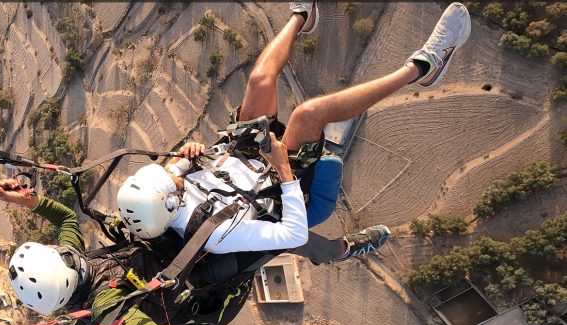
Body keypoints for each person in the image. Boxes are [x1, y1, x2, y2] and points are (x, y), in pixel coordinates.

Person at [117, 1, 471, 262]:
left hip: (240, 154)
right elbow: (293, 234)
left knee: (259, 80)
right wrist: (284, 169)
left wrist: (191, 151)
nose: (172, 176)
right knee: (309, 113)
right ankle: (423, 67)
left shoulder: (166, 188)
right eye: (171, 182)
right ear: (169, 202)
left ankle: (303, 15)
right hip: (278, 184)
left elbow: (179, 166)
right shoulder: (217, 235)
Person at [0, 178, 194, 325]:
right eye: (53, 250)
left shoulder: (73, 271)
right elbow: (125, 321)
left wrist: (21, 199)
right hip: (179, 293)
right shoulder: (100, 299)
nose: (55, 246)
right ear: (63, 262)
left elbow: (66, 219)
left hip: (158, 257)